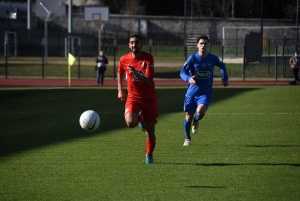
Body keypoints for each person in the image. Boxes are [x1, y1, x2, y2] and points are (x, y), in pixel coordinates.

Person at [180, 35, 229, 146]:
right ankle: (187, 138)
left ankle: (197, 120)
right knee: (188, 116)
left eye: (205, 43)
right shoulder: (192, 59)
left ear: (208, 45)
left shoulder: (212, 58)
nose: (203, 45)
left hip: (204, 93)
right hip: (191, 94)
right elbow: (182, 72)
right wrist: (188, 78)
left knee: (200, 111)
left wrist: (224, 78)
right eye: (201, 43)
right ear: (197, 45)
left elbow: (222, 65)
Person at [117, 34, 158, 164]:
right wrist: (120, 90)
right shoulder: (124, 59)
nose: (134, 45)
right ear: (129, 45)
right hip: (133, 97)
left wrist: (135, 73)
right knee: (130, 122)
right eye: (132, 43)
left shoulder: (148, 58)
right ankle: (140, 118)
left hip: (149, 99)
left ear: (141, 44)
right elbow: (120, 72)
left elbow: (148, 81)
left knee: (150, 132)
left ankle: (149, 154)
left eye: (136, 43)